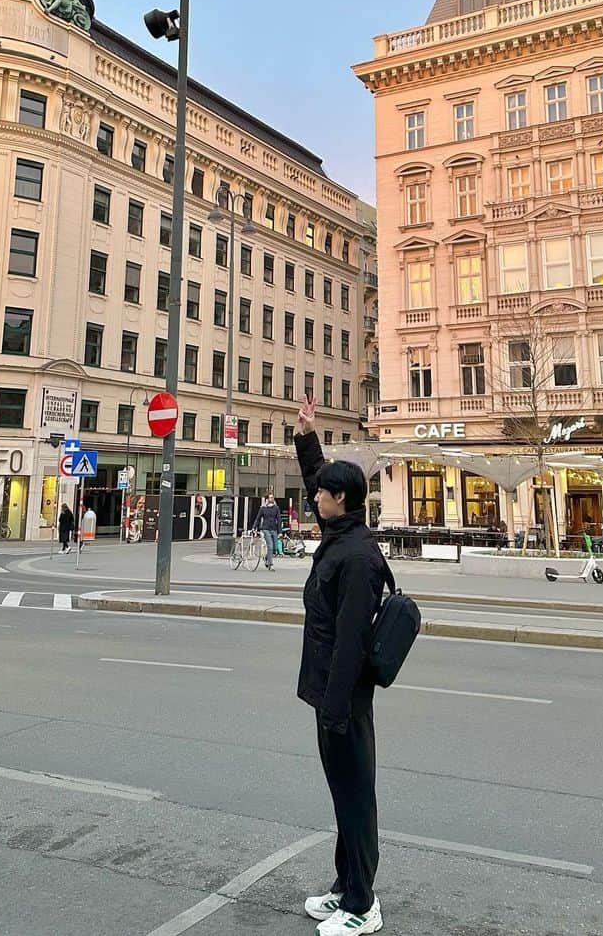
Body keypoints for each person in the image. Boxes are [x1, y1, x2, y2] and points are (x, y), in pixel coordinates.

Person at [294, 395, 386, 936]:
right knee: (342, 793)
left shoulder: (356, 558)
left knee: (355, 796)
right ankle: (343, 886)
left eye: (322, 493)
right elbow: (317, 479)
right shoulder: (340, 533)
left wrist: (333, 708)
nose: (314, 498)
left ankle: (362, 903)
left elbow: (350, 643)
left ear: (341, 500)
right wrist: (308, 436)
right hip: (329, 691)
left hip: (343, 695)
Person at [251, 493, 282, 571]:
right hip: (266, 529)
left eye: (273, 498)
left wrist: (280, 531)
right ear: (266, 499)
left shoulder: (276, 508)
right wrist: (254, 527)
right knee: (270, 546)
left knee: (275, 548)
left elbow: (279, 520)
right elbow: (258, 519)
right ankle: (270, 565)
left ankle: (266, 558)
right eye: (270, 498)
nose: (272, 499)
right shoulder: (263, 508)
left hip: (274, 529)